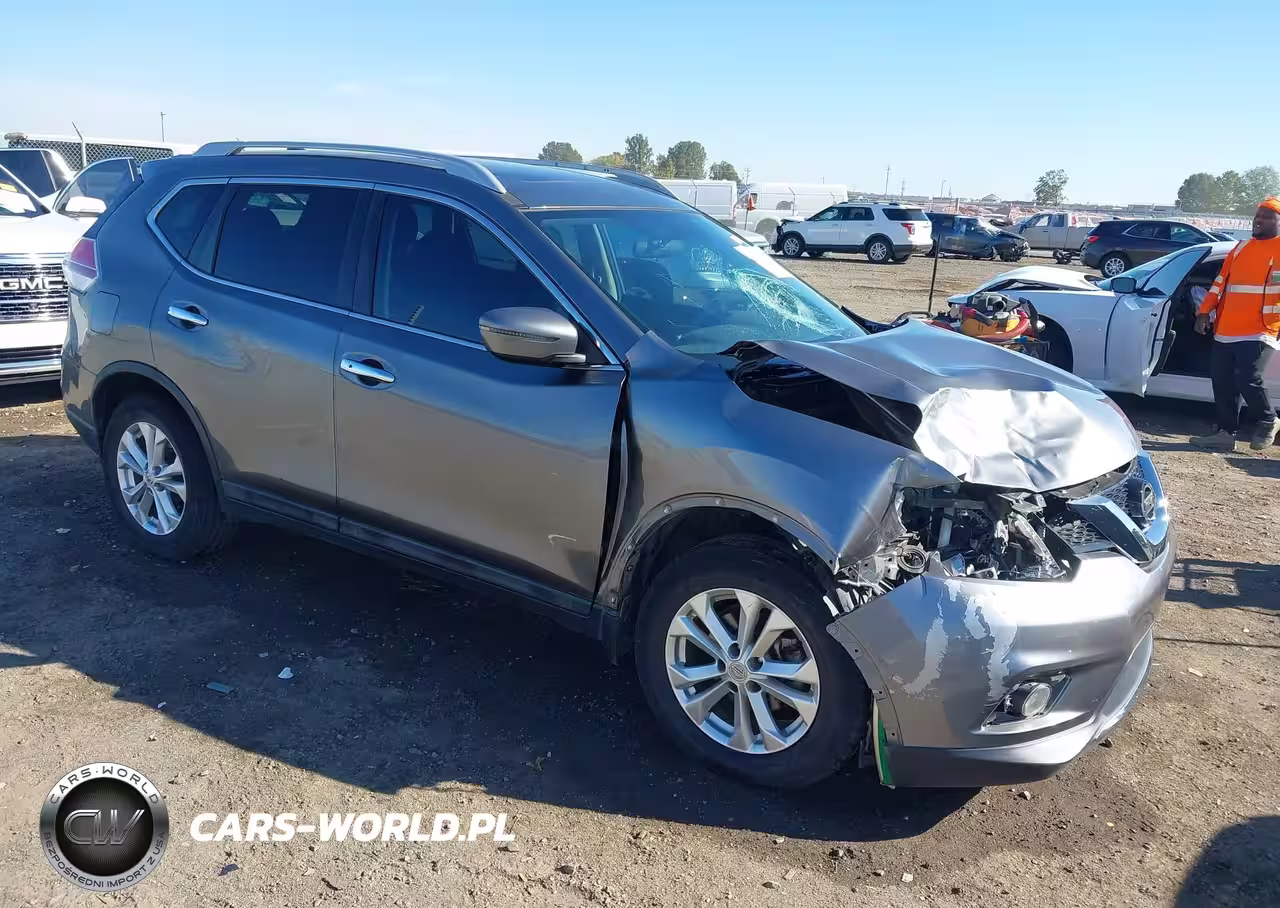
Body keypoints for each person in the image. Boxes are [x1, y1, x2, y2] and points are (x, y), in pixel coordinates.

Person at [1189, 197, 1280, 452]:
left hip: (1262, 328)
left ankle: (1269, 420)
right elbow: (1219, 283)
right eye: (1257, 216)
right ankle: (1225, 433)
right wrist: (1204, 311)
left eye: (1266, 216)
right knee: (1222, 380)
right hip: (1227, 328)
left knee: (1247, 377)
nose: (1259, 220)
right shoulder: (1240, 249)